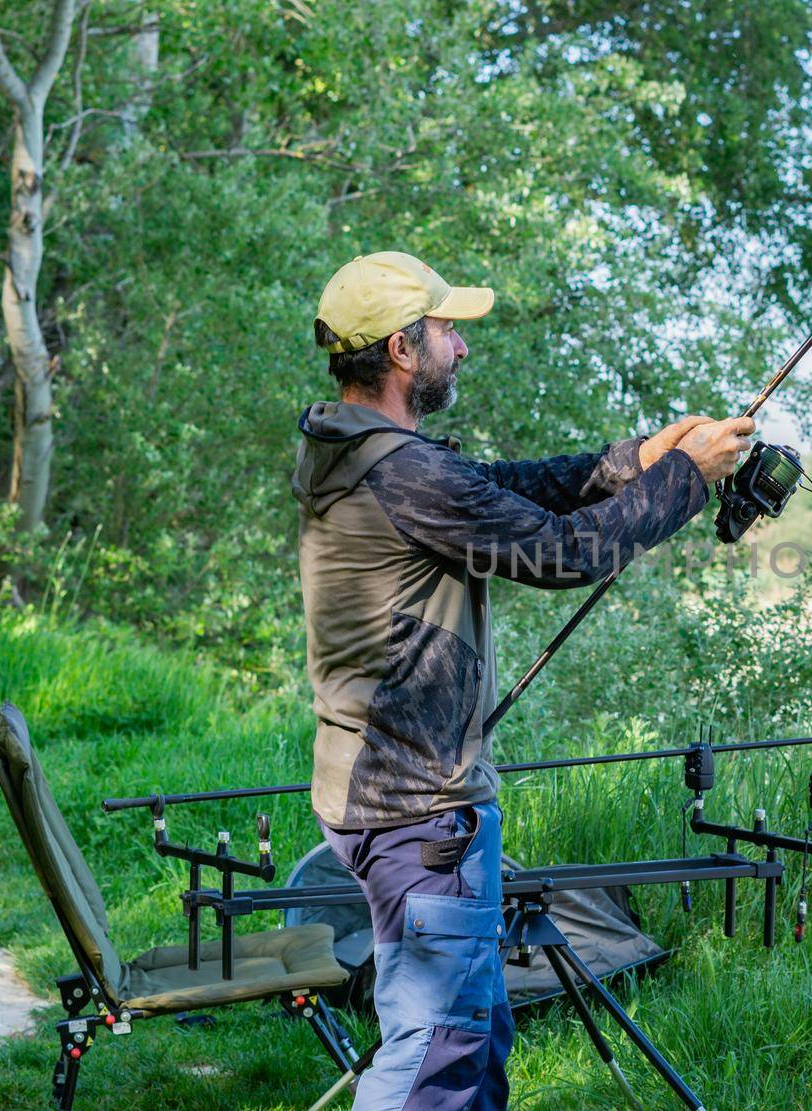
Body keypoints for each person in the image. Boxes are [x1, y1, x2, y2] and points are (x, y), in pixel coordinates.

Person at [291, 251, 754, 1110]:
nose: (460, 347)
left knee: (472, 1033)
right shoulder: (401, 472)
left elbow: (509, 491)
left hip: (380, 791)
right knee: (434, 1051)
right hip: (419, 806)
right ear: (401, 349)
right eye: (447, 329)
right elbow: (561, 550)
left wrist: (645, 456)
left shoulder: (355, 452)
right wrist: (688, 481)